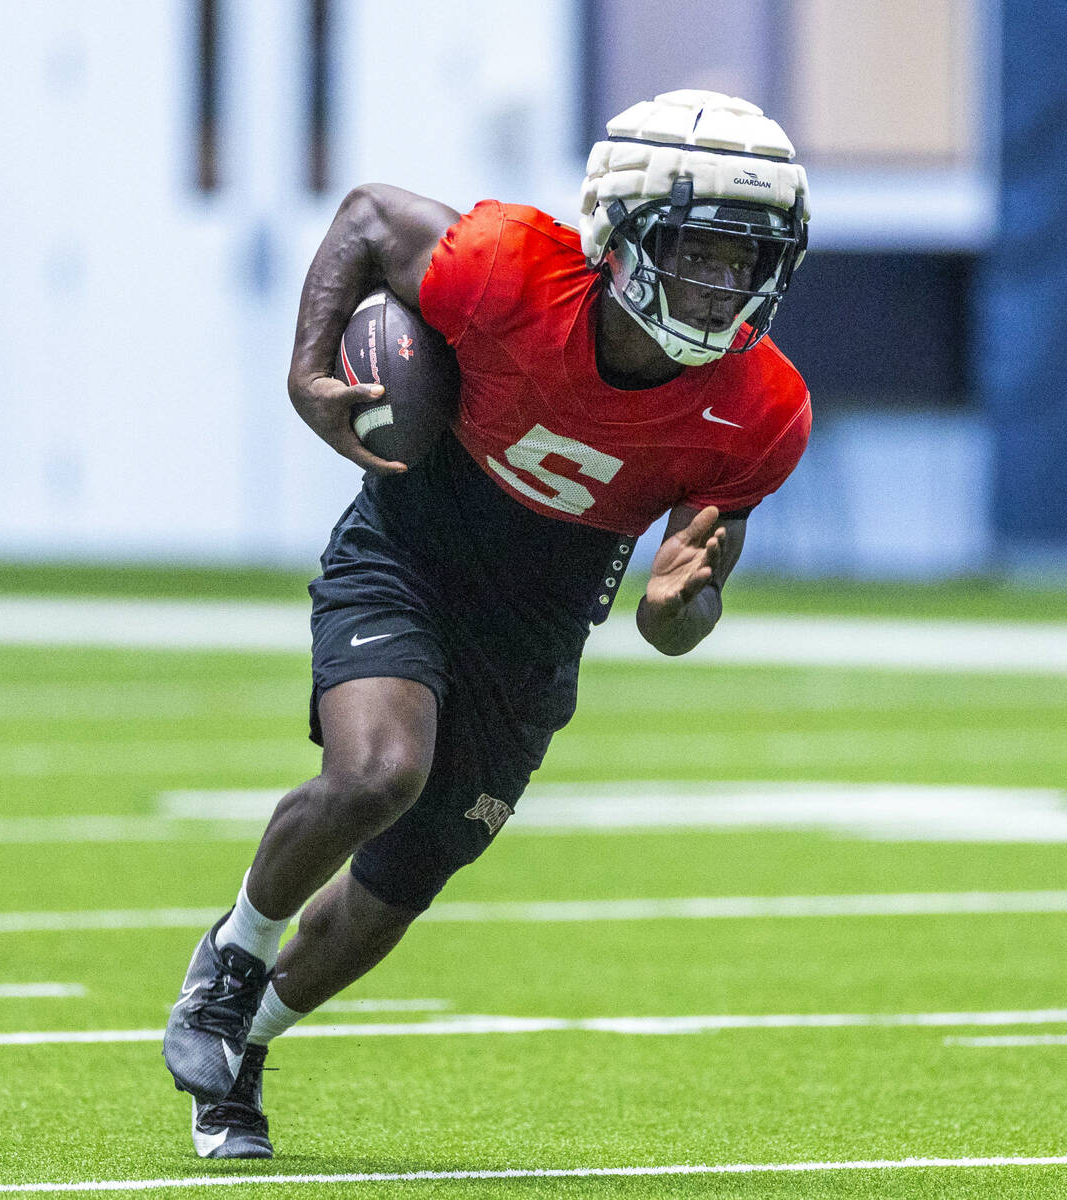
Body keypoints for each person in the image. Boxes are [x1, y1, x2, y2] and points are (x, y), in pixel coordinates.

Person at [163, 88, 812, 1159]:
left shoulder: (761, 407)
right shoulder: (513, 263)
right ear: (626, 231)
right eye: (698, 249)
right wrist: (307, 363)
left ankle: (245, 1046)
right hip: (410, 552)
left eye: (747, 260)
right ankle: (232, 957)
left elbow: (682, 604)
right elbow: (369, 214)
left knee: (398, 886)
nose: (722, 281)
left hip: (540, 623)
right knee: (379, 773)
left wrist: (678, 605)